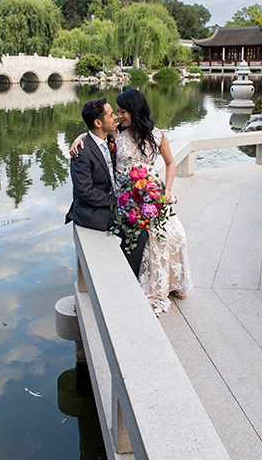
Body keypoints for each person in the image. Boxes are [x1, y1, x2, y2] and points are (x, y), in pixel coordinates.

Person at [71, 89, 193, 314]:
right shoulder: (117, 133)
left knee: (176, 234)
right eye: (115, 112)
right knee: (146, 235)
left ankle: (173, 283)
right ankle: (147, 284)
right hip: (125, 196)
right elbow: (94, 132)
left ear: (135, 110)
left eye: (122, 111)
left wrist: (166, 190)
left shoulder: (158, 136)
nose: (118, 116)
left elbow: (170, 164)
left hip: (151, 192)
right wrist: (78, 138)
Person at [66, 97, 148, 276]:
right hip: (90, 210)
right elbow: (85, 192)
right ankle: (128, 279)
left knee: (142, 217)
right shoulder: (81, 152)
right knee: (138, 229)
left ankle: (126, 271)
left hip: (109, 199)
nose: (116, 118)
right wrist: (118, 201)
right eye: (111, 115)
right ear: (98, 122)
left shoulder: (107, 138)